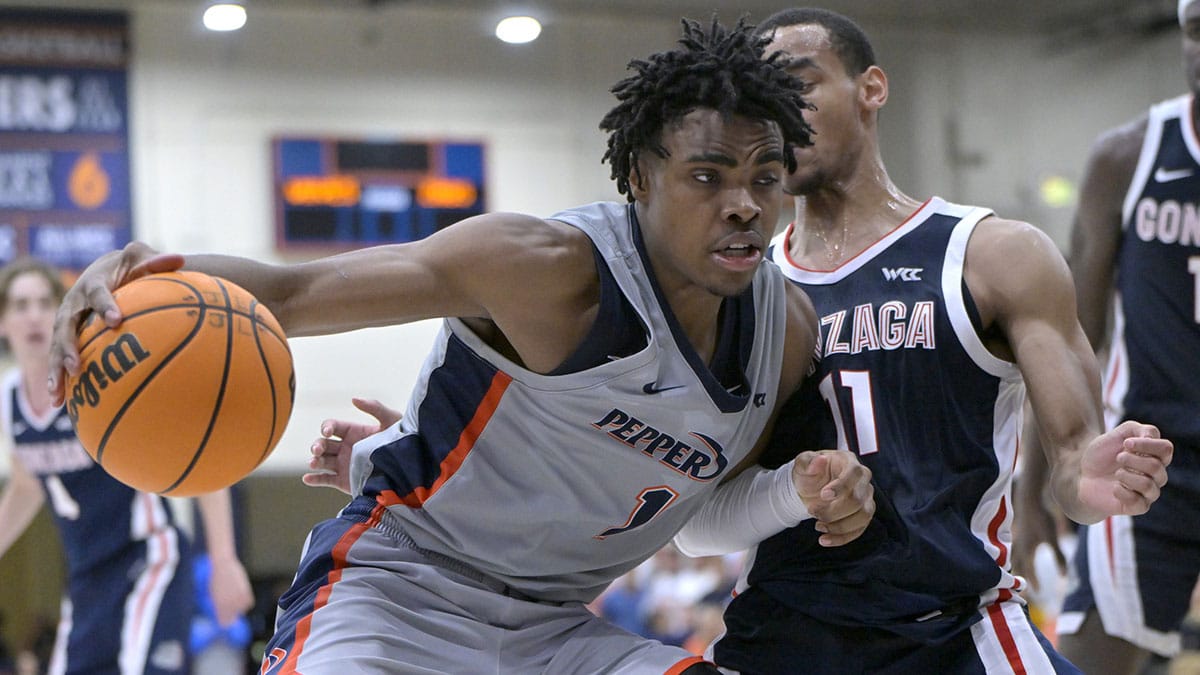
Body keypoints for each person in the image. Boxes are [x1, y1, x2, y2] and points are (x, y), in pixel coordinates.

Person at [46, 18, 877, 674]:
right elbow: (292, 293)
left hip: (559, 632)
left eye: (765, 178)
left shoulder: (784, 334)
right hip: (398, 591)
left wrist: (795, 494)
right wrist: (127, 283)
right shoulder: (543, 269)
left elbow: (695, 530)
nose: (743, 204)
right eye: (708, 175)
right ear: (639, 179)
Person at [669, 8, 1174, 674]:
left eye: (799, 82)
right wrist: (798, 489)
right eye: (760, 98)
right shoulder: (736, 289)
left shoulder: (993, 255)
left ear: (871, 88)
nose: (778, 113)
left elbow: (1076, 468)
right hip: (784, 633)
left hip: (954, 630)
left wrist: (1098, 480)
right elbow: (696, 527)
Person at [1014, 1, 1200, 672]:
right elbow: (1068, 334)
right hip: (1147, 456)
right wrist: (1033, 487)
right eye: (1195, 29)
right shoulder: (1128, 156)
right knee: (1087, 661)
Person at [0, 257, 254, 674]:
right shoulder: (9, 399)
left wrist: (223, 561)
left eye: (46, 303)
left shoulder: (94, 375)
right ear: (3, 322)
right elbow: (28, 485)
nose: (34, 316)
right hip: (86, 575)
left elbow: (194, 456)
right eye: (21, 305)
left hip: (148, 555)